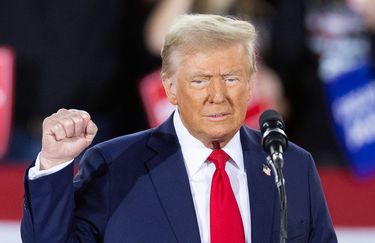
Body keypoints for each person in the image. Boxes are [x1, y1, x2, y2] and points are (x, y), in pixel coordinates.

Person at [21, 14, 337, 243]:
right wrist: (53, 164)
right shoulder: (116, 166)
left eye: (231, 78)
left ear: (251, 85)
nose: (218, 95)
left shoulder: (291, 166)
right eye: (200, 80)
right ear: (171, 89)